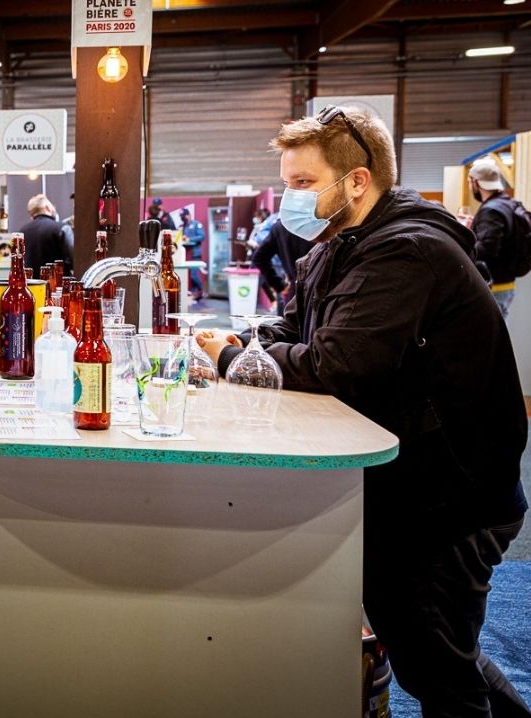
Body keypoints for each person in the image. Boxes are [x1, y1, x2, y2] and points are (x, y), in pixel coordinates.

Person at [200, 106, 529, 718]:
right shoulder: (339, 245)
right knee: (433, 649)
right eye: (287, 184)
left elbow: (336, 363)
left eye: (303, 183)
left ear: (356, 181)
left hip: (454, 497)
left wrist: (232, 360)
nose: (291, 199)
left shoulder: (407, 251)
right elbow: (295, 327)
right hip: (415, 485)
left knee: (437, 666)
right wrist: (245, 341)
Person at [468, 158, 520, 318]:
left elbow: (487, 248)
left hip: (493, 286)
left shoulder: (490, 211)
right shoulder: (508, 203)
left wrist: (464, 242)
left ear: (475, 183)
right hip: (506, 282)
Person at [249, 218, 313, 315]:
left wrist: (279, 285)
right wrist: (279, 284)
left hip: (294, 293)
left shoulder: (281, 225)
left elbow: (259, 258)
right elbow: (259, 258)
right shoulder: (323, 223)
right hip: (322, 294)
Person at [19, 193, 73, 275]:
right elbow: (74, 260)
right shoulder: (62, 228)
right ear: (48, 207)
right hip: (56, 281)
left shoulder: (22, 232)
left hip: (30, 282)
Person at [178, 208, 205, 298]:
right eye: (181, 217)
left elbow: (202, 236)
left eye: (184, 216)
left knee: (193, 275)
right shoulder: (182, 226)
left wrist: (190, 239)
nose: (183, 218)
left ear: (189, 215)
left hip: (195, 253)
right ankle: (193, 293)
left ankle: (201, 291)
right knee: (186, 276)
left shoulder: (196, 224)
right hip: (185, 254)